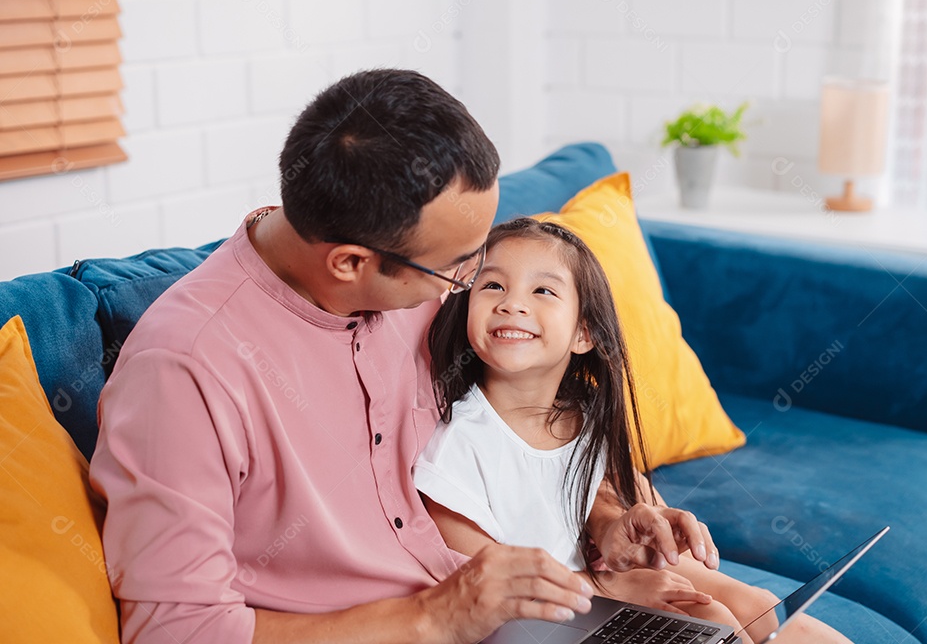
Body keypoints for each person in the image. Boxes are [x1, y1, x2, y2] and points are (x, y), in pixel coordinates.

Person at [89, 69, 715, 644]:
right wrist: (435, 616)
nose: (474, 284)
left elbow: (525, 427)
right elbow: (176, 630)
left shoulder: (412, 280)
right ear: (351, 263)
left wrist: (604, 518)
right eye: (458, 266)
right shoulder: (184, 369)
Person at [415, 217, 853, 644]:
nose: (512, 303)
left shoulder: (580, 418)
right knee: (711, 614)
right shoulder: (459, 442)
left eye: (543, 290)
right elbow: (478, 581)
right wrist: (605, 589)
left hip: (589, 599)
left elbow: (584, 494)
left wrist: (620, 530)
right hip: (539, 620)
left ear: (583, 333)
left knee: (749, 602)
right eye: (492, 285)